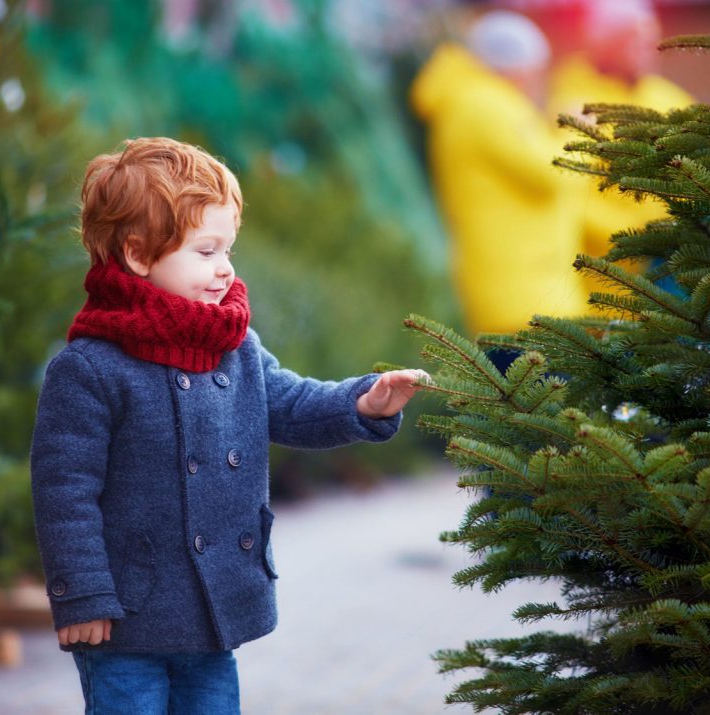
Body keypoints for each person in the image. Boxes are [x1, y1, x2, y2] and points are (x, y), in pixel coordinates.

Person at [29, 137, 427, 714]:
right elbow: (64, 492)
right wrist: (82, 595)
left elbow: (289, 403)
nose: (225, 268)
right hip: (127, 617)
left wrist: (364, 403)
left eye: (228, 249)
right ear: (139, 256)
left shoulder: (233, 346)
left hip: (212, 607)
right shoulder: (90, 367)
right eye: (206, 250)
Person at [410, 9, 588, 342]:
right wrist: (578, 132)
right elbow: (554, 173)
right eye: (538, 72)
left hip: (521, 296)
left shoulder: (471, 101)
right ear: (519, 69)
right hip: (524, 300)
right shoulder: (486, 105)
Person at [547, 0, 694, 304]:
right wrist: (636, 236)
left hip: (679, 254)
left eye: (649, 36)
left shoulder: (669, 99)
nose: (646, 46)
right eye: (632, 37)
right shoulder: (573, 102)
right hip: (608, 273)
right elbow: (569, 192)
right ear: (602, 43)